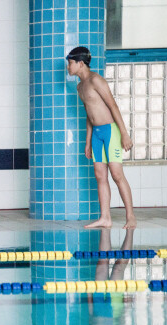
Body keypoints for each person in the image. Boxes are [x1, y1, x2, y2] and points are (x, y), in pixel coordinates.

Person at [67, 47, 136, 229]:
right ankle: (105, 218)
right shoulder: (80, 86)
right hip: (96, 134)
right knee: (100, 175)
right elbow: (89, 114)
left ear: (80, 63)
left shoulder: (96, 80)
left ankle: (131, 217)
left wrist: (124, 134)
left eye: (70, 63)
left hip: (110, 131)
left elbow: (113, 106)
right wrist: (88, 141)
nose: (68, 67)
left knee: (116, 174)